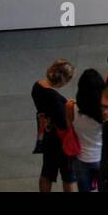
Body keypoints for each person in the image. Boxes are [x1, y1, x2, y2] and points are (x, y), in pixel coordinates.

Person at [32, 58, 76, 192]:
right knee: (68, 175)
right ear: (64, 80)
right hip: (60, 140)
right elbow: (64, 123)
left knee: (47, 171)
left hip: (47, 133)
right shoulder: (55, 99)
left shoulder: (37, 86)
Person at [71, 69, 107, 192]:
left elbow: (69, 128)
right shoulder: (105, 113)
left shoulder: (71, 108)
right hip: (102, 157)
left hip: (81, 157)